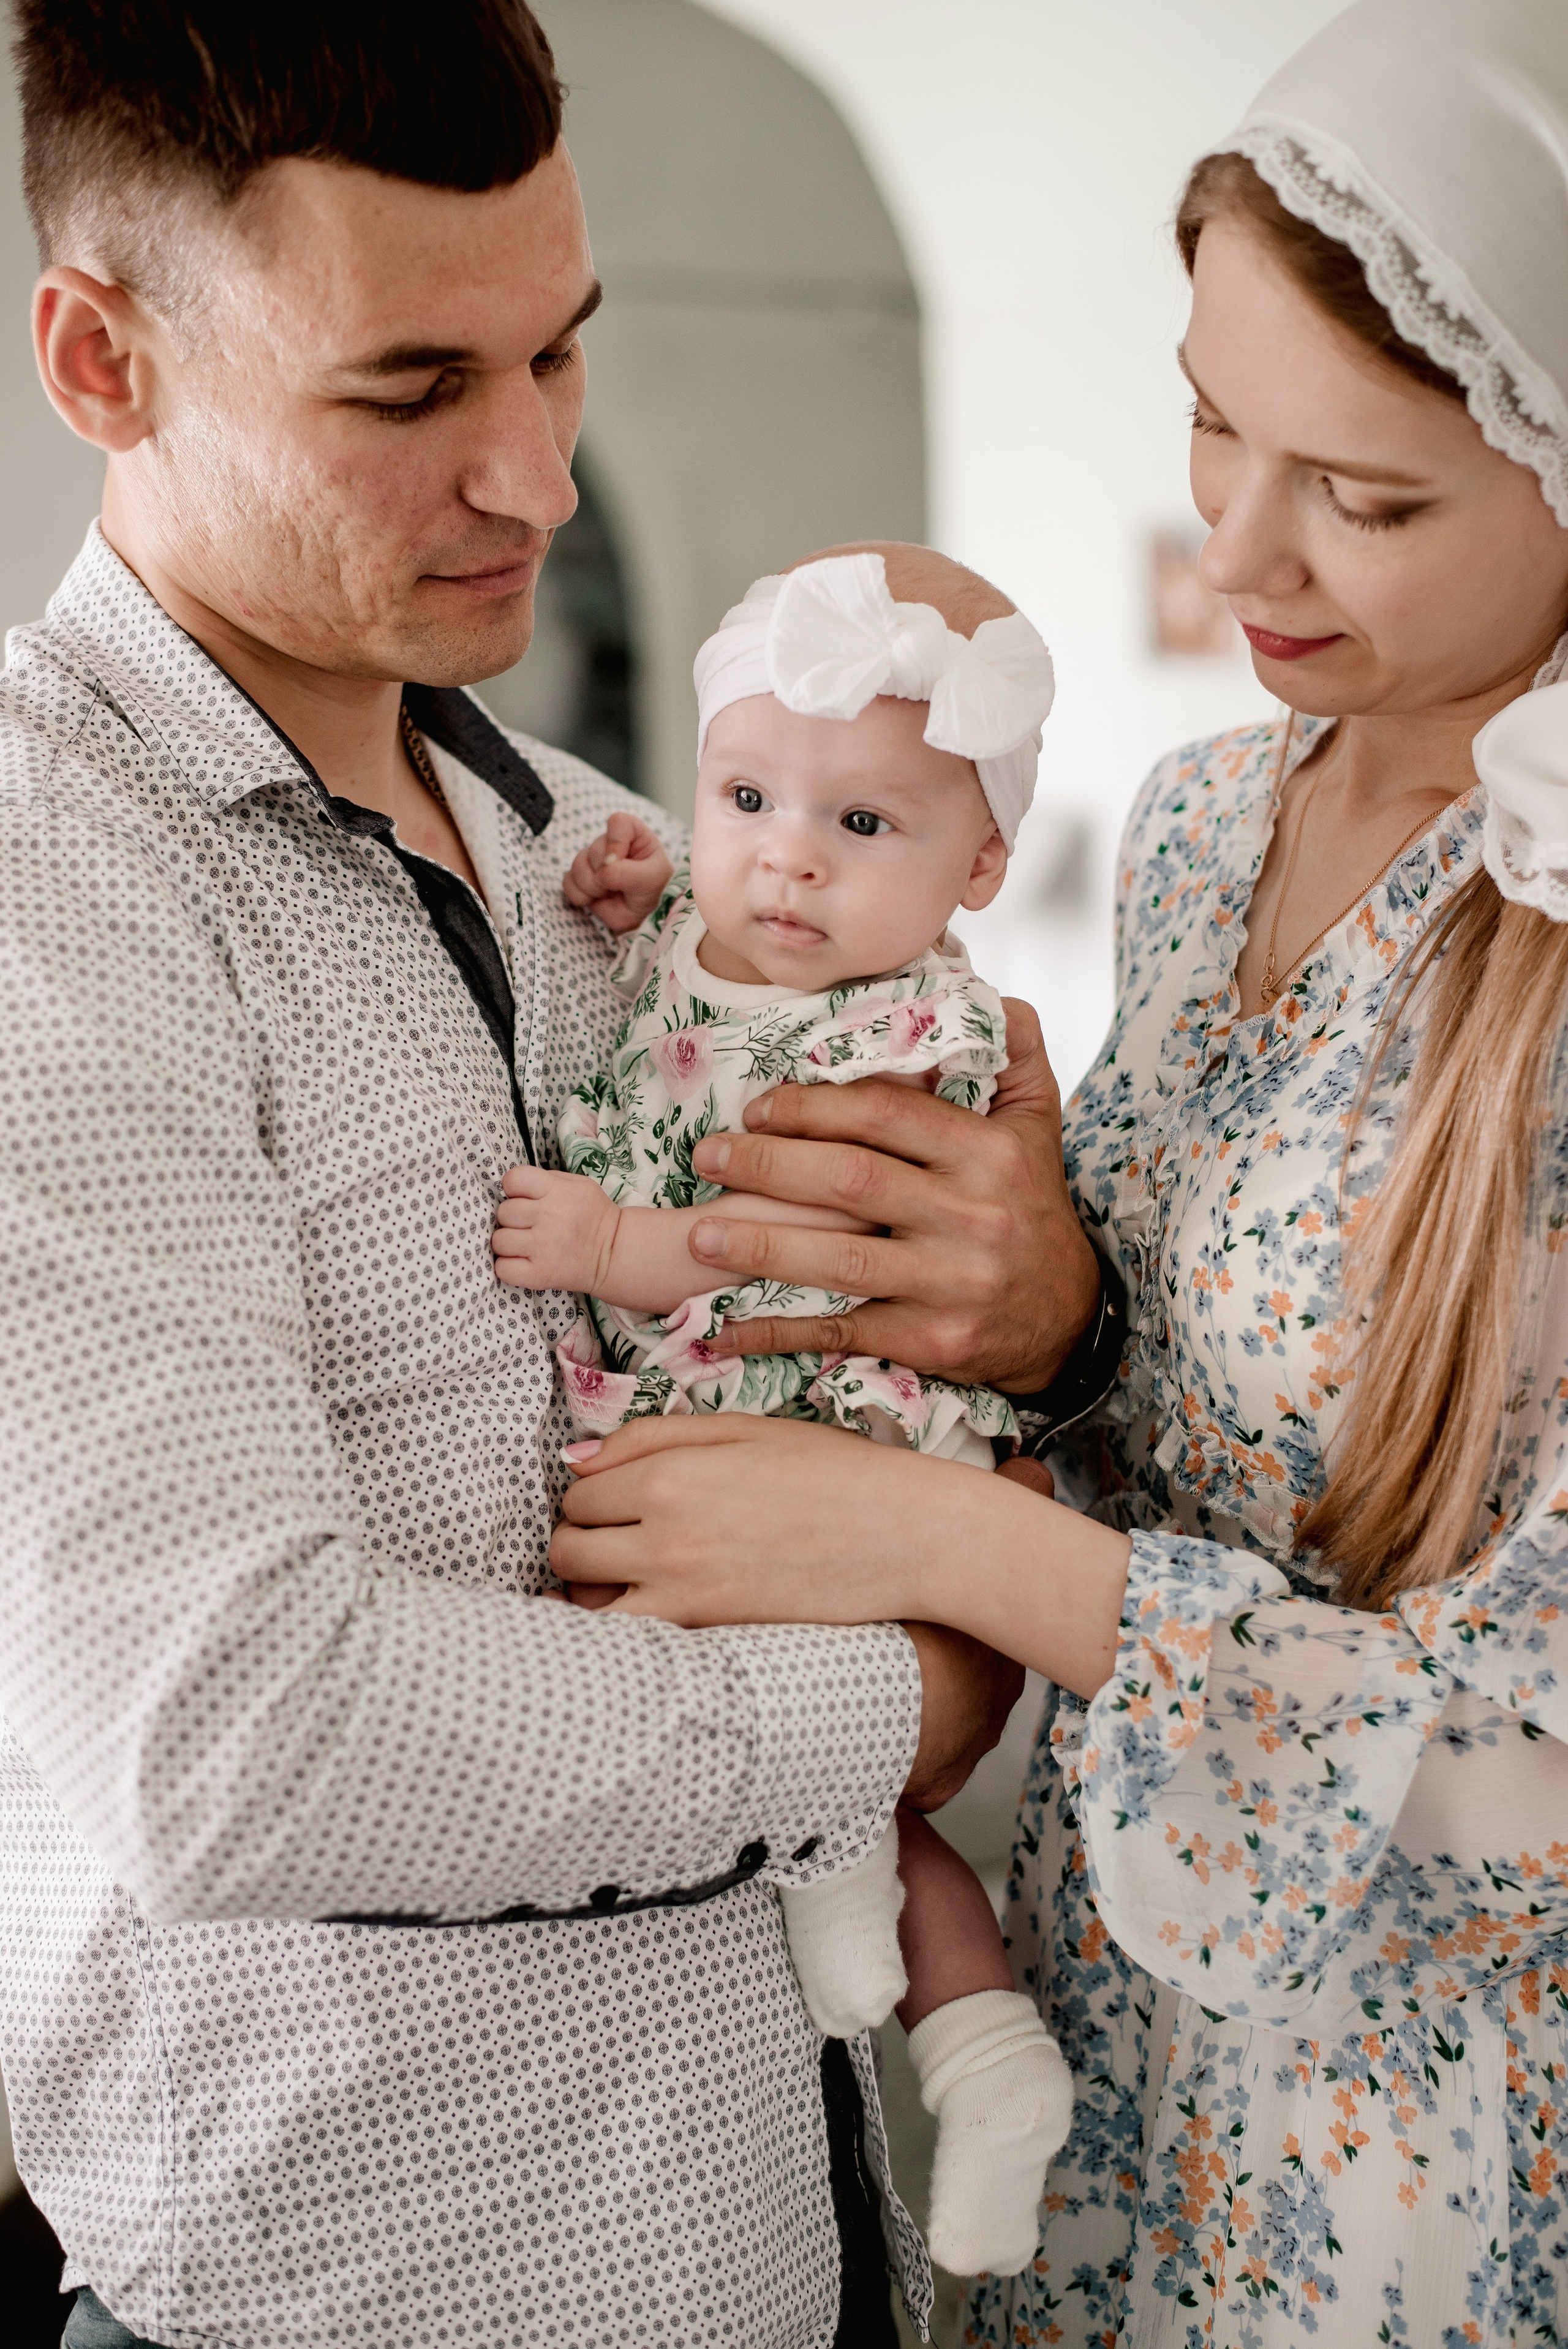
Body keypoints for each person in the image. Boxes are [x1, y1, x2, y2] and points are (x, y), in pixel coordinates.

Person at [0, 7, 1099, 2346]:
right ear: (102, 364)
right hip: (374, 2296)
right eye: (409, 396)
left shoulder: (611, 849)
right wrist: (908, 1687)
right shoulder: (43, 899)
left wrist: (1043, 1308)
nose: (538, 483)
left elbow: (910, 1349)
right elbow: (239, 1736)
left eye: (560, 360)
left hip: (803, 2237)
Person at [543, 1, 1568, 2339]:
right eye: (1212, 420)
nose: (1237, 547)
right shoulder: (1213, 824)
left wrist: (933, 1541)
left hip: (1427, 2157)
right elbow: (1187, 1406)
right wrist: (1053, 1322)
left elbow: (1533, 1768)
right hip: (1117, 2058)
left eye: (1371, 495)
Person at [494, 541, 1072, 2279]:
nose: (788, 857)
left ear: (980, 864)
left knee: (830, 1755)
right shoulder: (718, 931)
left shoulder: (921, 1034)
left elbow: (791, 1249)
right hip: (746, 1446)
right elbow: (677, 938)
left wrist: (613, 1240)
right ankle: (984, 2054)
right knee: (854, 1798)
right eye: (747, 795)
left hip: (841, 1437)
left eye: (863, 828)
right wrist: (630, 878)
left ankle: (915, 1989)